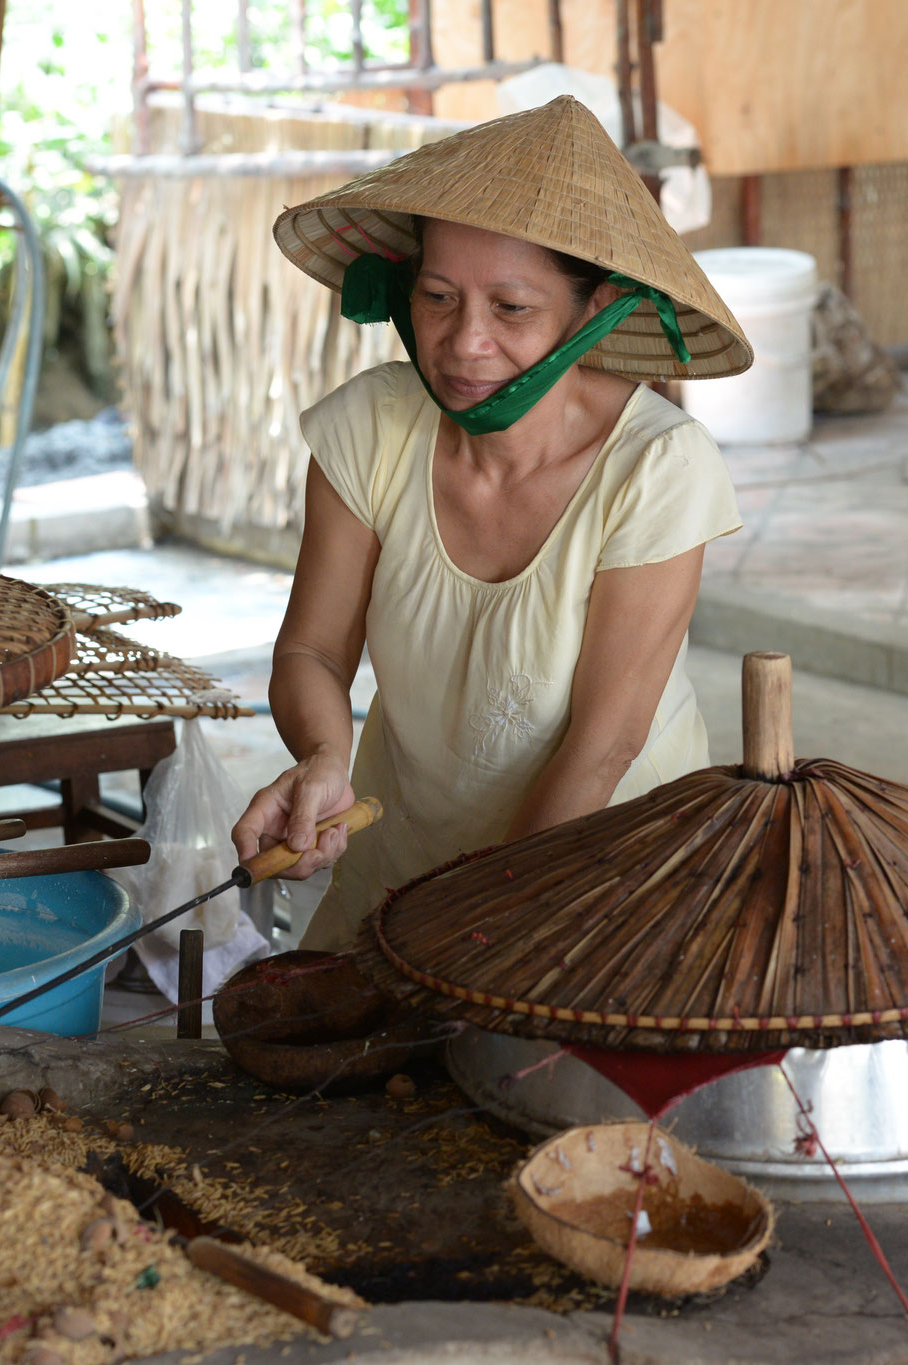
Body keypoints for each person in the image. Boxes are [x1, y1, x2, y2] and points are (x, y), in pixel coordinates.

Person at [231, 96, 754, 952]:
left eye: (511, 310)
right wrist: (325, 758)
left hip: (598, 873)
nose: (463, 342)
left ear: (594, 312)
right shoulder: (371, 428)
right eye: (437, 296)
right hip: (403, 861)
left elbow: (604, 745)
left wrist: (480, 925)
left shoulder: (657, 468)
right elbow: (313, 652)